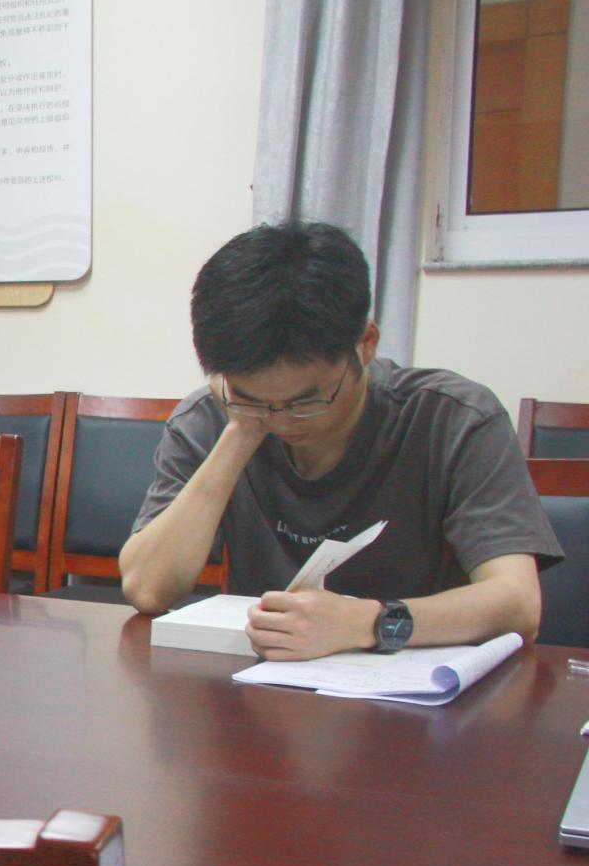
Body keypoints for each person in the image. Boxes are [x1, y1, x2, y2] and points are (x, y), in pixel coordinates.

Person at [119, 221, 560, 660]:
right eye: (253, 398)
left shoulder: (453, 418)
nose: (281, 420)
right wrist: (241, 430)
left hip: (418, 684)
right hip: (264, 682)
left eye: (305, 402)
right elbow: (148, 589)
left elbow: (518, 603)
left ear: (365, 343)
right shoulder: (211, 419)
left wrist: (368, 623)